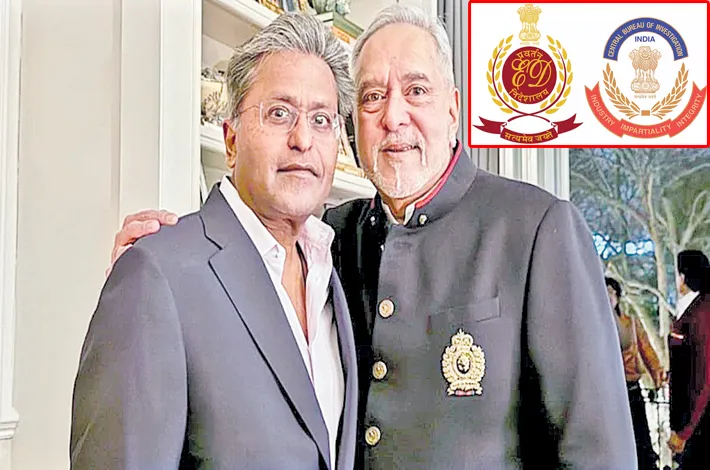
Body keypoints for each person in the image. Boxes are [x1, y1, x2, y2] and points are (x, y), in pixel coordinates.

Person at [109, 6, 637, 469]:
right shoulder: (330, 238)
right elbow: (244, 248)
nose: (393, 116)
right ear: (353, 128)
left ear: (453, 109)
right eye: (372, 97)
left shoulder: (536, 228)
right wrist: (161, 267)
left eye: (416, 91)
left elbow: (598, 453)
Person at [70, 14, 358, 470]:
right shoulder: (156, 272)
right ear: (231, 140)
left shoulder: (334, 273)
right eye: (279, 113)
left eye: (321, 120)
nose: (303, 139)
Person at [606, 277, 665, 469]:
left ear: (618, 297)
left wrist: (657, 375)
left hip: (630, 387)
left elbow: (646, 349)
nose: (608, 297)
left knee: (640, 436)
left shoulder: (630, 323)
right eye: (604, 292)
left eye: (612, 292)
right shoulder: (595, 326)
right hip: (607, 392)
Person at [668, 250, 710, 469]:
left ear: (684, 276)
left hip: (699, 423)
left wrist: (685, 431)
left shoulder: (700, 313)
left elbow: (703, 375)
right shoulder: (696, 308)